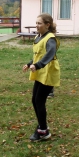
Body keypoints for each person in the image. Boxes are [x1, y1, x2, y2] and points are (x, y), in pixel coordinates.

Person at [22, 13, 60, 141]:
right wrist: (29, 63)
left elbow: (50, 54)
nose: (37, 25)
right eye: (36, 23)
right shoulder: (39, 36)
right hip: (40, 71)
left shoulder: (50, 38)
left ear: (47, 25)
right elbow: (38, 54)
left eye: (40, 23)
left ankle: (43, 131)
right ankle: (42, 126)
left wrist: (38, 65)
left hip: (48, 72)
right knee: (34, 100)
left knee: (39, 100)